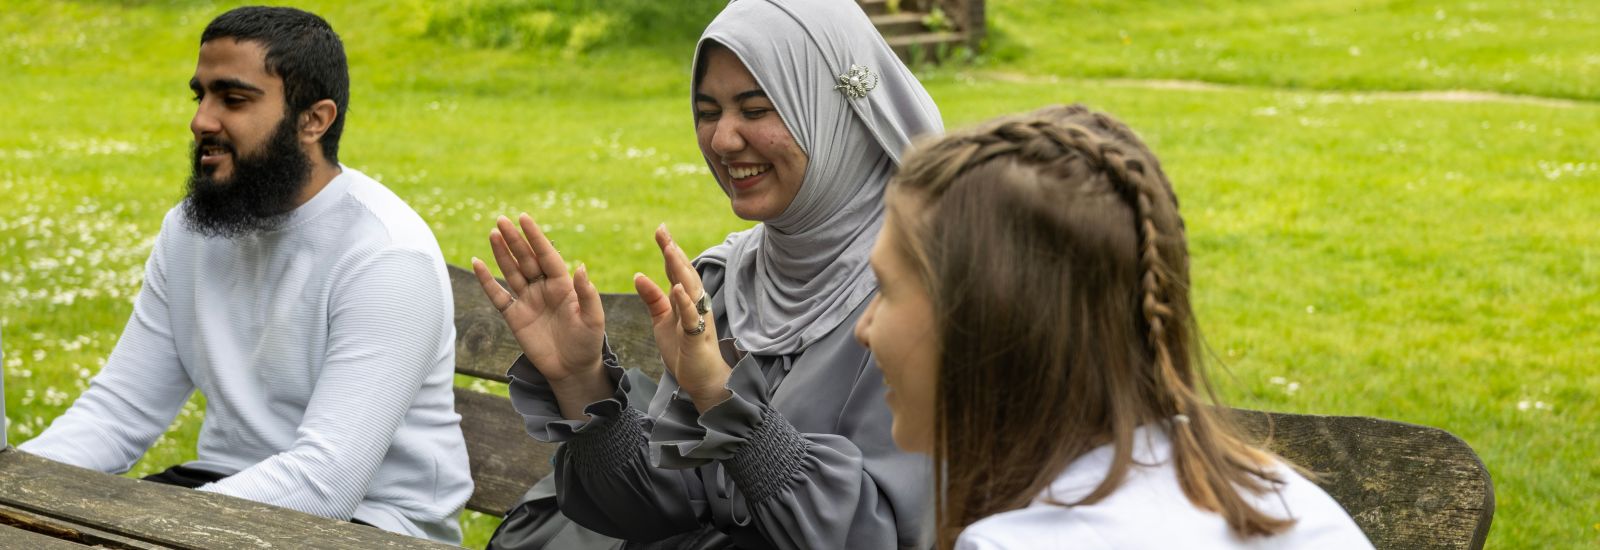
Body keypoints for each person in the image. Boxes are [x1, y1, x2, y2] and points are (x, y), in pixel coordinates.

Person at [471, 0, 943, 547]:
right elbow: (663, 509)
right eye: (708, 111)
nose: (722, 140)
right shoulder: (724, 282)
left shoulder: (925, 300)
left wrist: (727, 405)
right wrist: (580, 382)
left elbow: (887, 536)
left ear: (833, 111)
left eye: (756, 108)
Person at [18, 7, 471, 544]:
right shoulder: (191, 231)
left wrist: (148, 528)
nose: (202, 121)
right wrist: (18, 483)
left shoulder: (386, 256)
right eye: (200, 96)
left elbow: (326, 481)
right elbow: (118, 412)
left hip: (371, 525)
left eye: (233, 100)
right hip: (223, 491)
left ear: (314, 120)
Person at [852, 104, 1375, 549]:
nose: (864, 327)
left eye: (886, 288)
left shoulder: (1019, 543)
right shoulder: (1280, 495)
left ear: (989, 320)